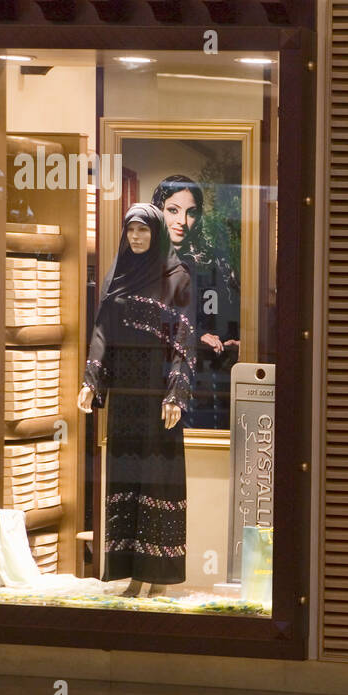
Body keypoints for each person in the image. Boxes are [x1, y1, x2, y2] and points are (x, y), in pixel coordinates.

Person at [78, 204, 195, 596]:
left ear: (157, 233)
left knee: (156, 479)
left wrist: (176, 393)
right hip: (126, 394)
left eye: (143, 230)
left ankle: (156, 578)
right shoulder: (118, 275)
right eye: (131, 230)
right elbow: (101, 331)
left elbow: (184, 337)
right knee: (127, 476)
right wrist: (91, 381)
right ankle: (133, 574)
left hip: (156, 390)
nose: (136, 237)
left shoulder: (176, 277)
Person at [150, 175, 241, 429]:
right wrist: (196, 335)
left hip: (214, 375)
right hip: (162, 375)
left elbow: (232, 307)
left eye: (191, 213)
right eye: (172, 210)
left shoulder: (213, 259)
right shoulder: (145, 262)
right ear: (157, 211)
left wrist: (237, 336)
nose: (181, 221)